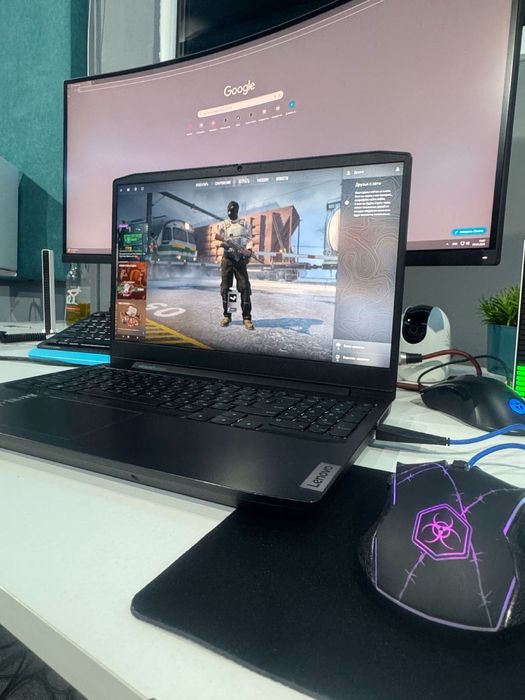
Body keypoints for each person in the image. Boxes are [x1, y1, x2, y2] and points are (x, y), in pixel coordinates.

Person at [216, 200, 255, 330]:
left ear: (237, 211)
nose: (230, 213)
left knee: (244, 288)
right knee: (227, 289)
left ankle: (246, 318)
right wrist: (224, 244)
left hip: (240, 260)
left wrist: (248, 250)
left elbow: (249, 240)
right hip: (227, 259)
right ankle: (228, 315)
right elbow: (217, 240)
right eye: (229, 211)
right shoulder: (223, 224)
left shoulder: (244, 223)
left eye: (232, 211)